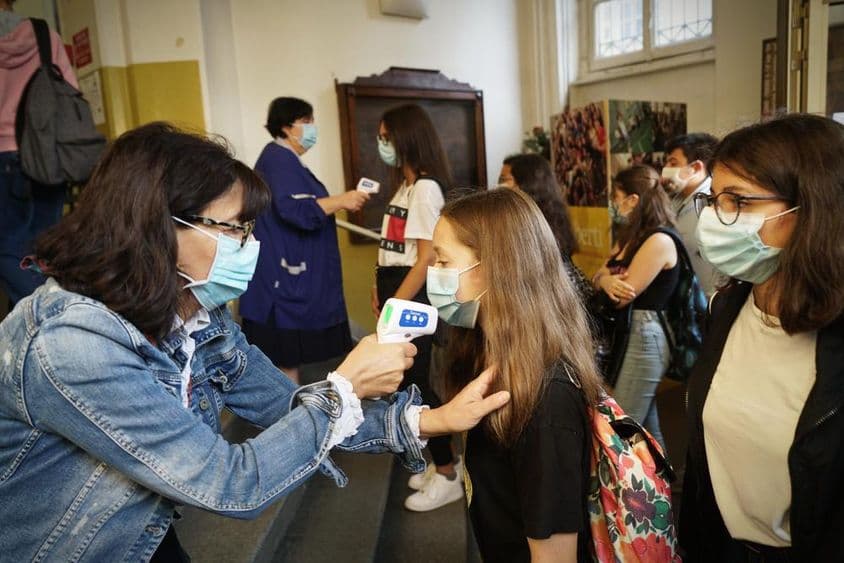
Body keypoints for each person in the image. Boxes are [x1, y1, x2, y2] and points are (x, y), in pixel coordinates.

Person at [0, 122, 511, 561]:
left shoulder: (196, 313)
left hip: (138, 532)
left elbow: (285, 405)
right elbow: (229, 482)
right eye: (235, 229)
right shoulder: (74, 344)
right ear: (158, 229)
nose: (251, 246)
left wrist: (430, 420)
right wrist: (345, 387)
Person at [680, 114, 844, 561]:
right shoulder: (728, 309)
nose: (715, 218)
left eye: (738, 201)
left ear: (812, 209)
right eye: (713, 200)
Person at [431, 188, 603, 562]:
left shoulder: (546, 399)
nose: (434, 276)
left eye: (443, 262)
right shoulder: (489, 356)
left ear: (494, 267)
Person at [370, 103, 462, 512]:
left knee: (422, 383)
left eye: (387, 136)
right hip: (397, 287)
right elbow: (395, 250)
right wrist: (382, 291)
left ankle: (447, 473)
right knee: (411, 384)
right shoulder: (405, 186)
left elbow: (426, 259)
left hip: (413, 292)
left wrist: (396, 300)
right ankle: (438, 464)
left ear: (406, 137)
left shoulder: (426, 188)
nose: (382, 144)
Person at [239, 97, 368, 384]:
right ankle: (295, 420)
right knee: (285, 357)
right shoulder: (277, 160)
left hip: (290, 274)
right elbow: (296, 210)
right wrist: (341, 200)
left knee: (290, 360)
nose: (312, 129)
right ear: (286, 127)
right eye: (306, 122)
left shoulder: (286, 161)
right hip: (285, 279)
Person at [591, 165, 679, 451]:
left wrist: (606, 281)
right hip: (629, 333)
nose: (614, 205)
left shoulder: (658, 240)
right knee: (645, 427)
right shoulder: (630, 238)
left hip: (646, 337)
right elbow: (597, 277)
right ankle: (661, 487)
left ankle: (634, 490)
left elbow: (622, 296)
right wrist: (605, 281)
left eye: (616, 197)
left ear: (633, 200)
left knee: (623, 426)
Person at [0, 1, 76, 305]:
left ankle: (48, 314)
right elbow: (70, 93)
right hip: (47, 158)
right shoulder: (46, 36)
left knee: (7, 246)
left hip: (2, 156)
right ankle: (60, 310)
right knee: (48, 245)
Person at [499, 153, 593, 301]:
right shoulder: (546, 213)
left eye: (505, 180)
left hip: (557, 299)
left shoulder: (535, 221)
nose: (500, 186)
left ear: (527, 183)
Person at [661, 132, 721, 297]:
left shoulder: (713, 201)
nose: (666, 169)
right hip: (685, 297)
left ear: (695, 168)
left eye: (673, 163)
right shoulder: (674, 198)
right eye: (666, 162)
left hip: (709, 294)